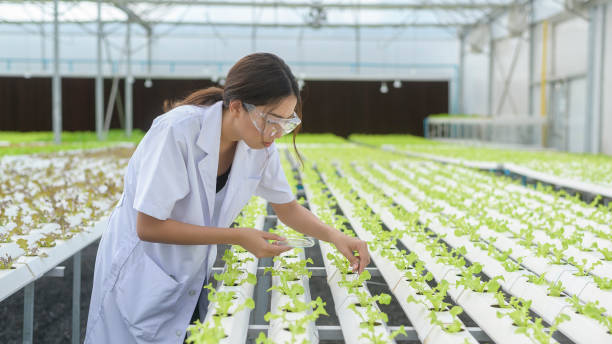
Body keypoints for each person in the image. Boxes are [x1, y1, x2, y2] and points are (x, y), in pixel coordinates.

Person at [84, 52, 370, 344]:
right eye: (271, 120)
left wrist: (335, 236)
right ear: (236, 107)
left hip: (188, 276)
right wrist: (236, 236)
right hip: (141, 277)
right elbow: (148, 227)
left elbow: (288, 208)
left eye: (286, 122)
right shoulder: (176, 132)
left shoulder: (260, 145)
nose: (277, 133)